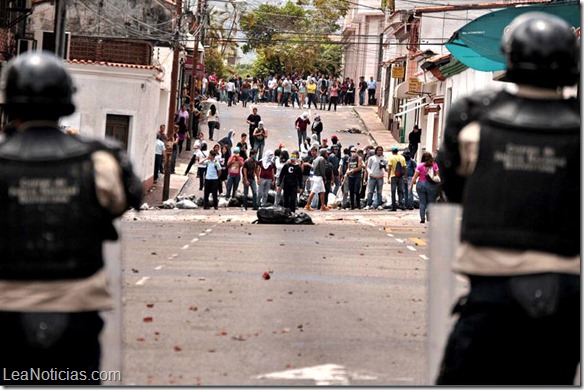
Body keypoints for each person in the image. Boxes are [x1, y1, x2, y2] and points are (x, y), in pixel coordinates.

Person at [435, 13, 580, 385]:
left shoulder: (473, 121)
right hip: (567, 296)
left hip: (491, 291)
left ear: (509, 57)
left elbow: (456, 189)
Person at [0, 51, 142, 385]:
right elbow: (123, 200)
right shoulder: (99, 161)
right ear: (66, 100)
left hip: (6, 308)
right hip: (78, 309)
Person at [409, 151, 438, 223]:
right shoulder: (434, 165)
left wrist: (411, 185)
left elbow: (415, 177)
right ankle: (429, 217)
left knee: (422, 202)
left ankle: (422, 219)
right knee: (430, 202)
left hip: (421, 184)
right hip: (431, 185)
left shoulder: (420, 165)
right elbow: (437, 176)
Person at [388, 146, 406, 211]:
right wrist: (406, 177)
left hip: (393, 176)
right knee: (400, 191)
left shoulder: (391, 158)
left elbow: (390, 168)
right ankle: (401, 205)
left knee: (393, 191)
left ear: (392, 151)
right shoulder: (402, 157)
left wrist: (388, 177)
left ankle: (393, 206)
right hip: (401, 176)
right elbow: (404, 168)